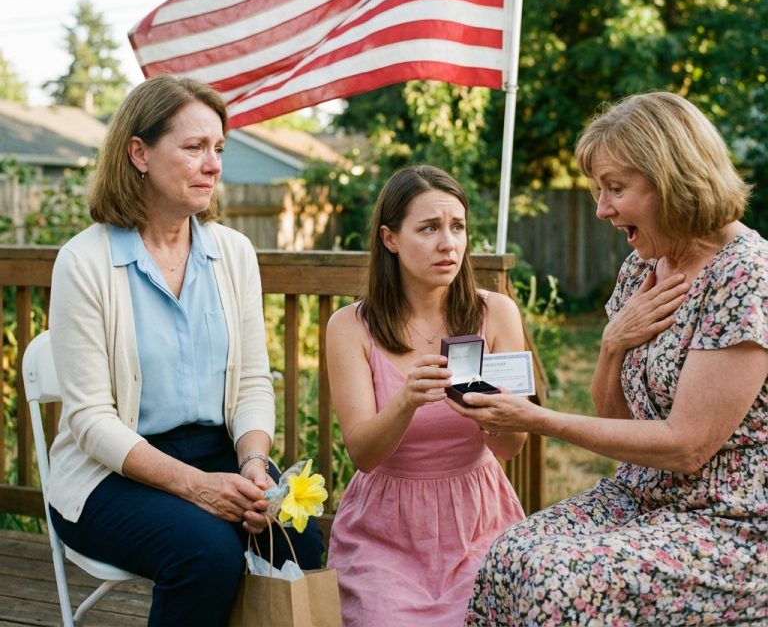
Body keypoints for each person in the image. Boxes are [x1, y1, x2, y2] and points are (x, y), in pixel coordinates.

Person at [448, 91, 768, 626]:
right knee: (507, 557)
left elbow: (686, 447)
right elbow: (615, 418)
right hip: (641, 496)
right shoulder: (641, 267)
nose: (601, 208)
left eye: (616, 188)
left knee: (559, 580)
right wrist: (612, 344)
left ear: (673, 178)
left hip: (728, 522)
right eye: (599, 189)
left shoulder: (745, 276)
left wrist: (536, 419)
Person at [46, 75, 322, 627]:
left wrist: (253, 465)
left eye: (218, 148)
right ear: (139, 153)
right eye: (194, 147)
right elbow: (91, 420)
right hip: (111, 472)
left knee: (297, 535)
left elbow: (250, 383)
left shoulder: (233, 253)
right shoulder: (84, 262)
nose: (214, 164)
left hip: (220, 453)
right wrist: (196, 487)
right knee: (205, 552)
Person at [325, 164, 528, 626]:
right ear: (390, 239)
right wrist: (406, 400)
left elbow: (510, 448)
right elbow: (363, 454)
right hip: (386, 529)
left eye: (457, 227)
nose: (448, 243)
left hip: (477, 516)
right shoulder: (350, 327)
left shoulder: (496, 313)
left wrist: (490, 413)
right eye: (430, 228)